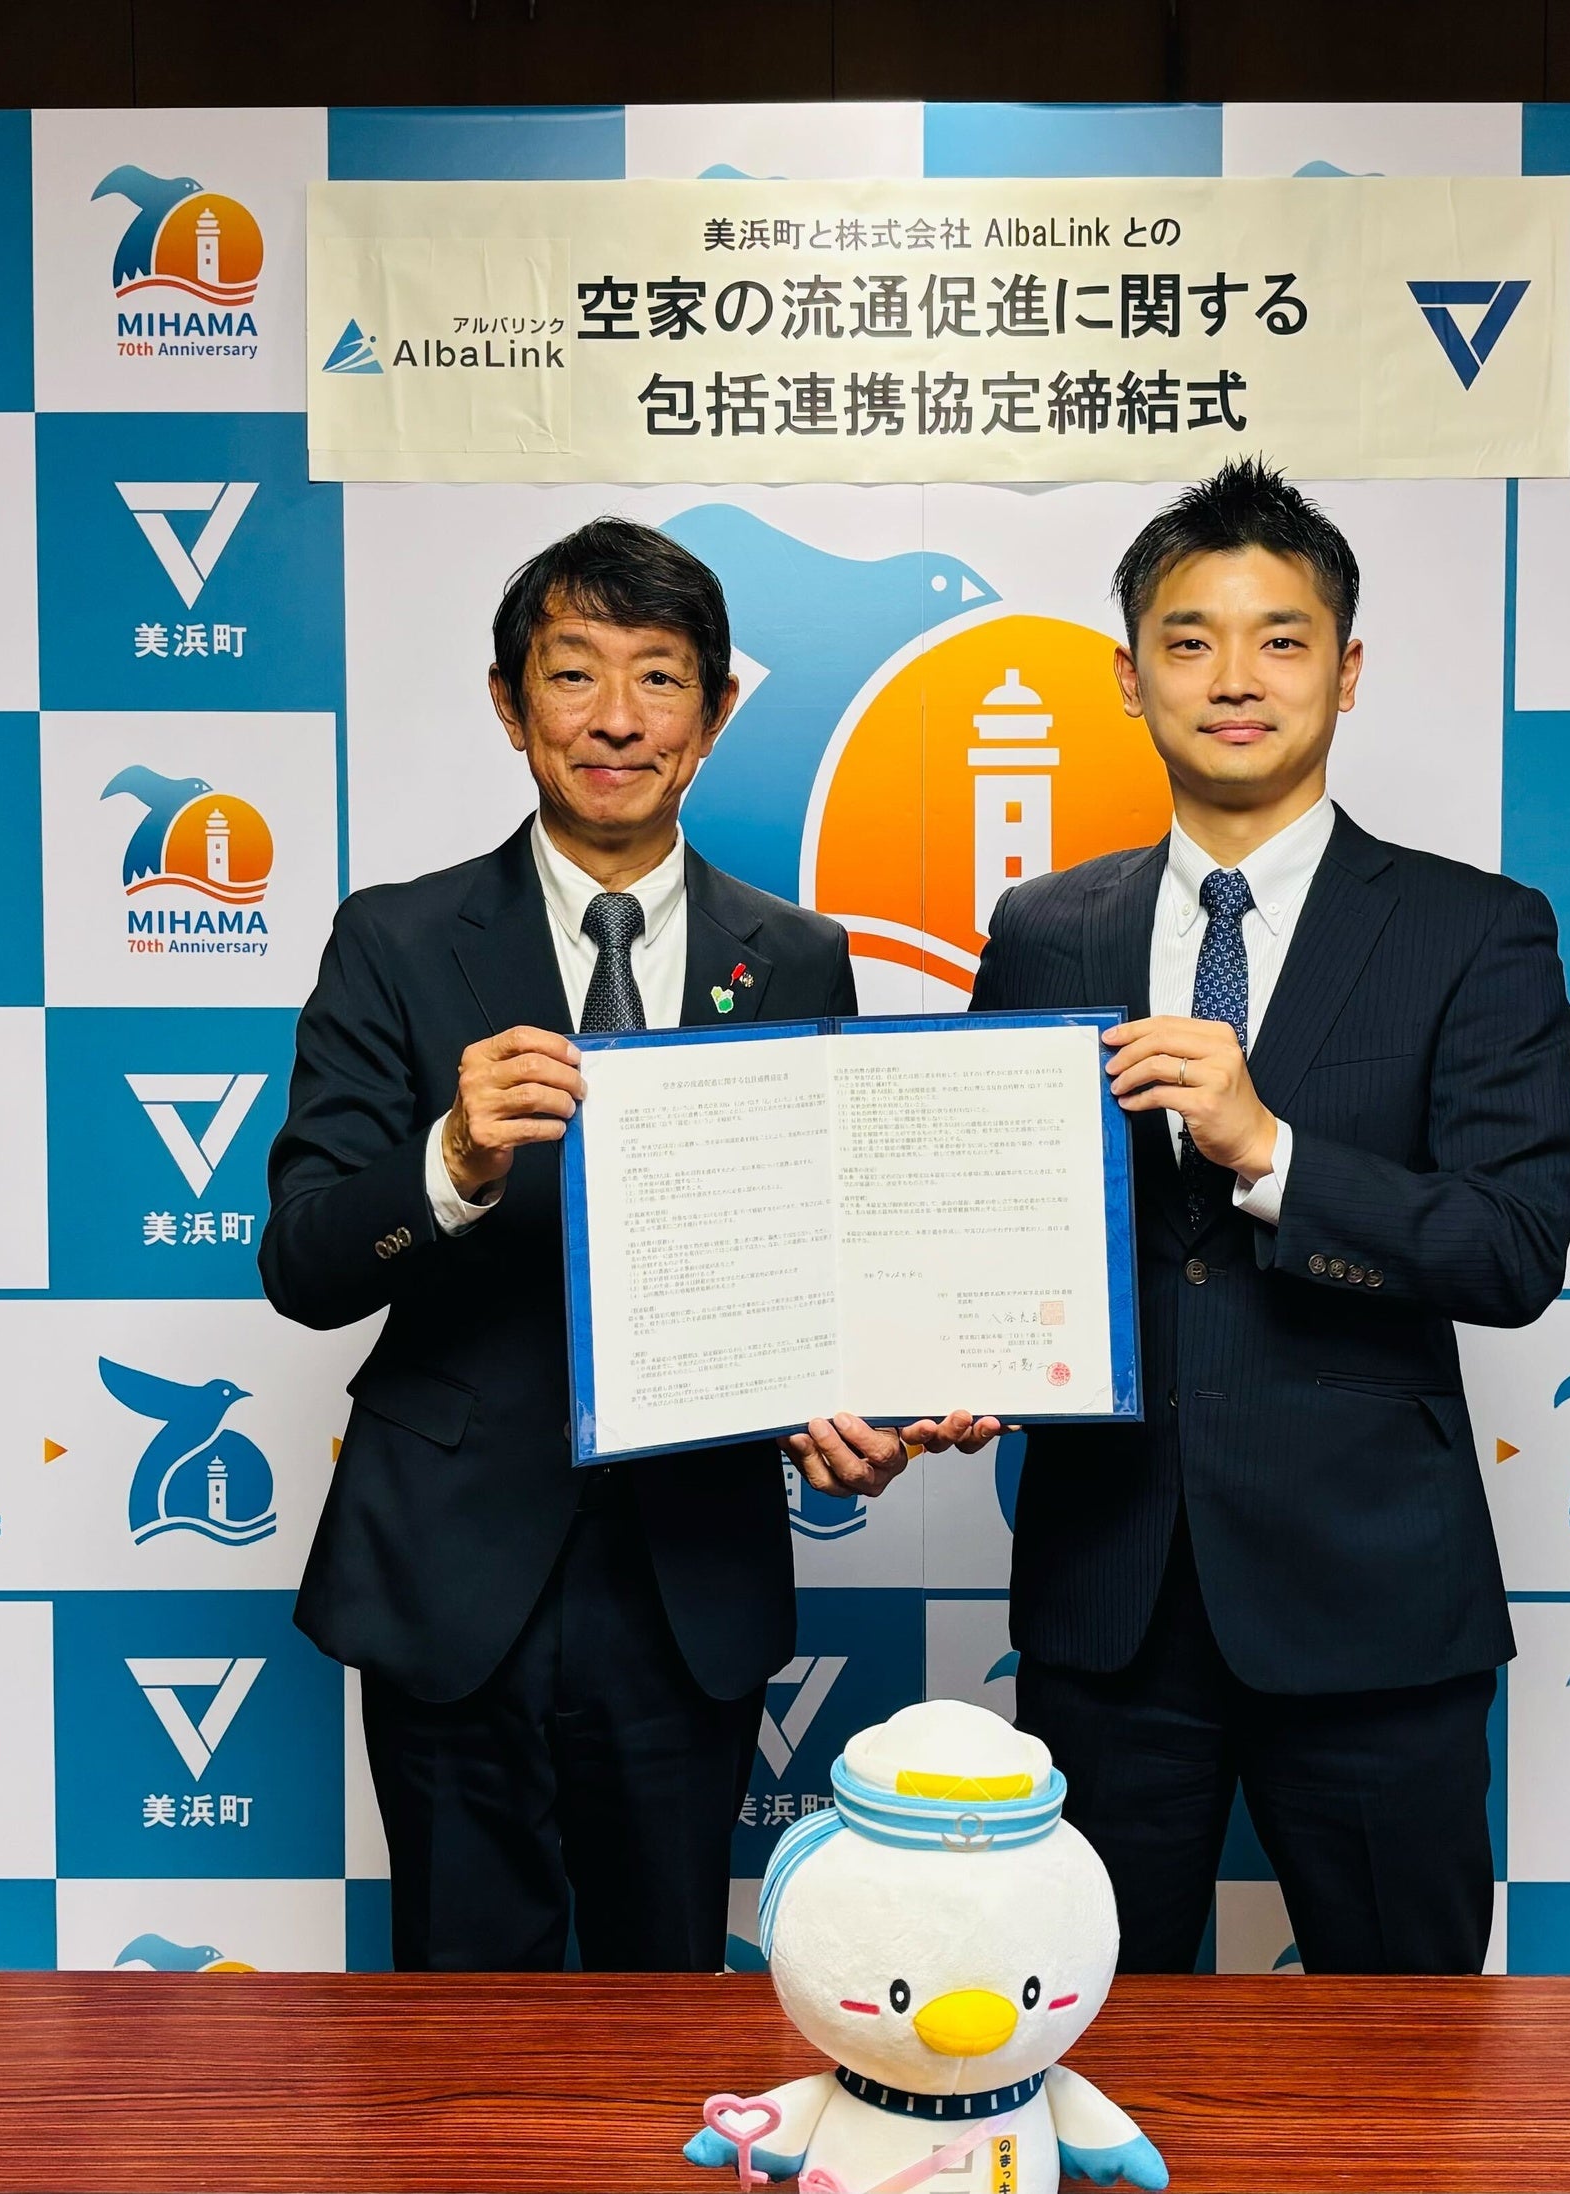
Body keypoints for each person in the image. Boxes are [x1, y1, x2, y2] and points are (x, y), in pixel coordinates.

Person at [262, 518, 986, 1971]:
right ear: (508, 701)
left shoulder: (795, 955)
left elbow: (819, 1253)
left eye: (658, 677)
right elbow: (304, 1264)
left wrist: (866, 1402)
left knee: (666, 2004)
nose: (614, 718)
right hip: (451, 1569)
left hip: (688, 1572)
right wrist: (451, 1160)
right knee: (462, 2031)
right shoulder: (394, 940)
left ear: (714, 713)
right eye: (572, 671)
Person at [965, 460, 1570, 1975]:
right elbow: (991, 1227)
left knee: (1412, 2052)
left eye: (1280, 639)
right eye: (1189, 641)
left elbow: (1512, 1247)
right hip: (1109, 1600)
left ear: (1347, 670)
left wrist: (1273, 1154)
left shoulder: (1474, 928)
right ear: (1130, 679)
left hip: (1374, 1604)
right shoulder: (1045, 929)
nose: (1234, 678)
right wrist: (943, 1363)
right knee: (1088, 2037)